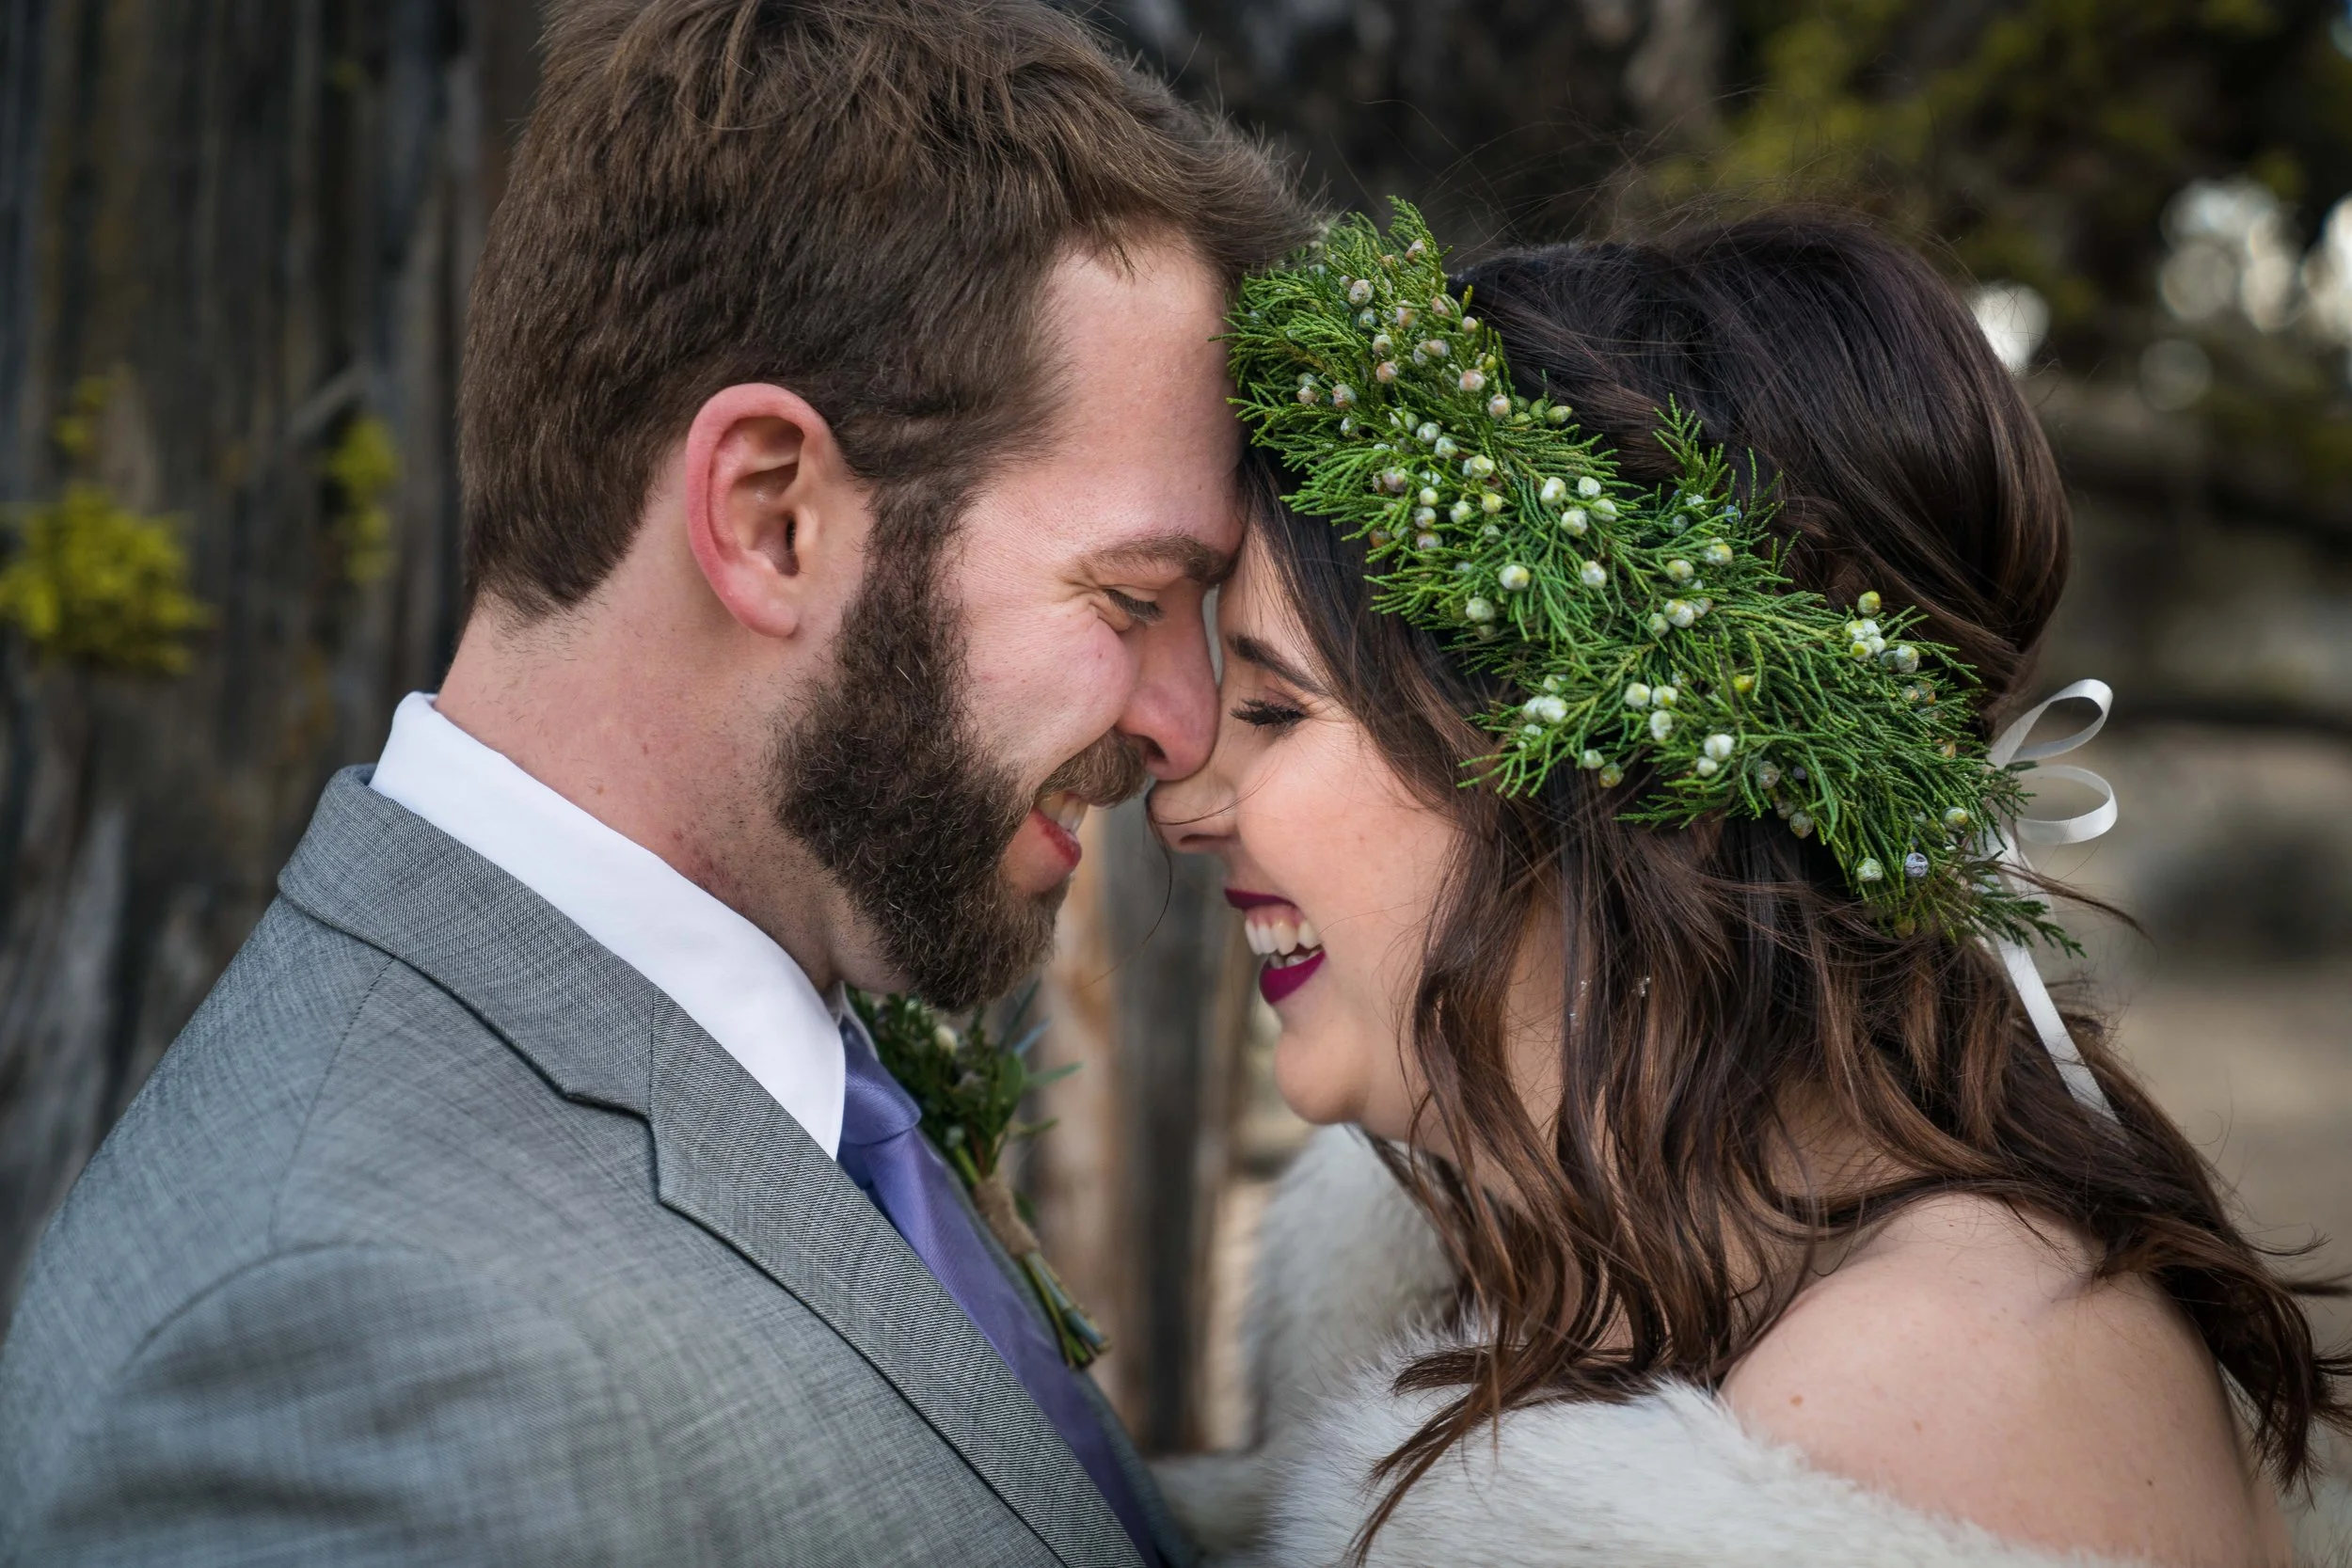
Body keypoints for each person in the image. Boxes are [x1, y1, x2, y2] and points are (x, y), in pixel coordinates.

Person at [0, 1, 1302, 1560]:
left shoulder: (785, 1024)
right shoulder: (335, 1349)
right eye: (1132, 597)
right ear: (769, 517)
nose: (1183, 723)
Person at [1150, 205, 2351, 1566]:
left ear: (1592, 774)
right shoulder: (1577, 1269)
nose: (1181, 803)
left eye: (1272, 708)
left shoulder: (1923, 1394)